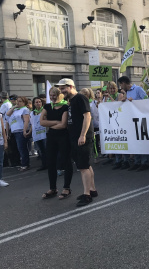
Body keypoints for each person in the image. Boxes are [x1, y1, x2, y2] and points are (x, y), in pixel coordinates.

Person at [58, 78, 97, 207]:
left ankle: (87, 195)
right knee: (85, 164)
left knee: (83, 167)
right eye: (60, 89)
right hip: (75, 137)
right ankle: (92, 190)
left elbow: (87, 116)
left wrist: (83, 135)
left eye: (63, 88)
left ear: (70, 86)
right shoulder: (72, 101)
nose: (61, 91)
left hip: (82, 137)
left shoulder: (80, 98)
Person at [40, 87, 74, 199]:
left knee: (66, 161)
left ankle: (66, 188)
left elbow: (63, 124)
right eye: (50, 95)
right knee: (51, 162)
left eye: (54, 95)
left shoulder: (65, 106)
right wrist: (55, 122)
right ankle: (53, 188)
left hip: (63, 137)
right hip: (51, 137)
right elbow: (41, 122)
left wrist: (49, 124)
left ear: (60, 95)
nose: (52, 97)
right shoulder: (47, 106)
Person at [117, 76, 149, 171]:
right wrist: (125, 101)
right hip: (132, 120)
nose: (121, 86)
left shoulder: (138, 89)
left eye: (121, 84)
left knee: (141, 141)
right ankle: (137, 161)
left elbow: (147, 101)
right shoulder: (127, 92)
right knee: (135, 141)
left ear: (124, 83)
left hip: (141, 119)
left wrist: (135, 101)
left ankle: (144, 162)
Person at [6, 96, 31, 171]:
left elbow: (26, 121)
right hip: (15, 131)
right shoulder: (15, 110)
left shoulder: (25, 110)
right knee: (19, 148)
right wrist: (14, 107)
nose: (18, 103)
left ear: (24, 103)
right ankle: (24, 163)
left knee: (22, 148)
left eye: (20, 101)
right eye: (18, 101)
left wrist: (24, 130)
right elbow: (7, 114)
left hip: (21, 130)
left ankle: (25, 164)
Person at [29, 97, 47, 171]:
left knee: (47, 149)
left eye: (39, 102)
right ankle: (44, 164)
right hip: (37, 133)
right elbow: (32, 124)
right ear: (34, 104)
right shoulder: (32, 113)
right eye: (36, 102)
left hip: (44, 133)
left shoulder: (44, 111)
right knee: (41, 150)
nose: (38, 103)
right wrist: (29, 132)